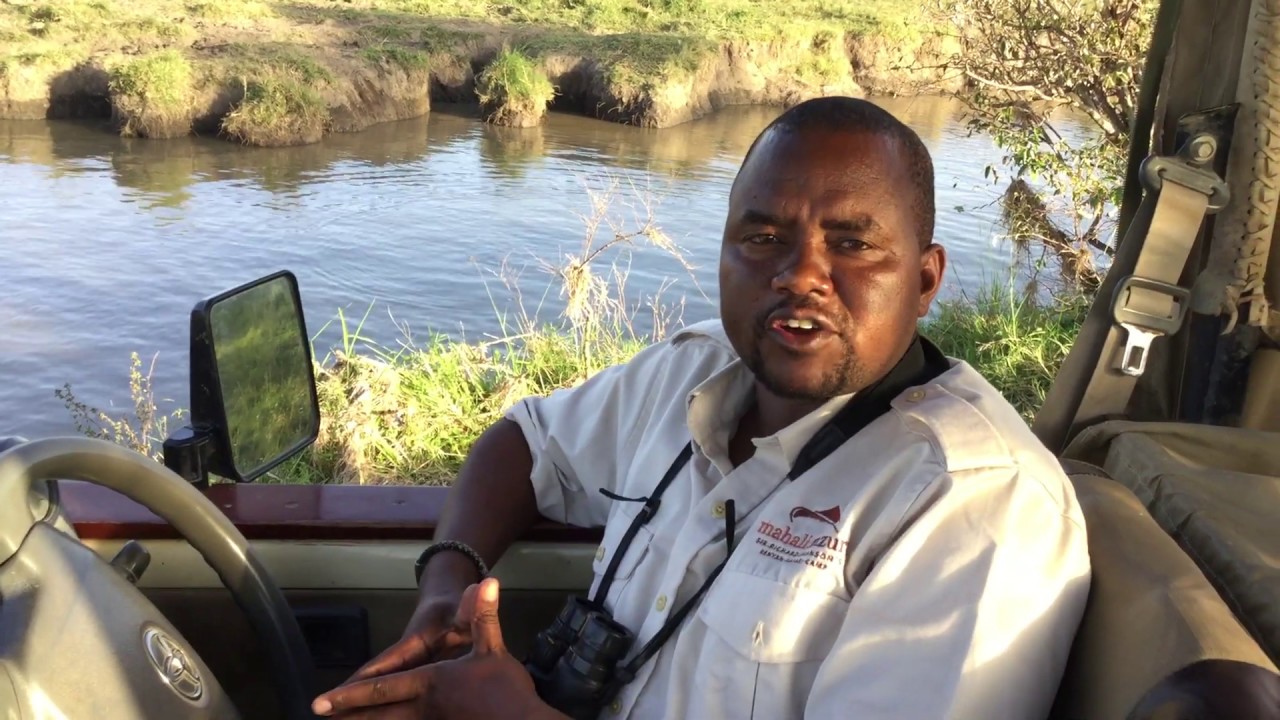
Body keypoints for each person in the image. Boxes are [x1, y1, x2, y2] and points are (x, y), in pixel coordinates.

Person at [310, 96, 1092, 719]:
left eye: (851, 245)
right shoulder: (697, 370)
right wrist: (449, 585)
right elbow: (527, 444)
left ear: (925, 281)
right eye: (762, 237)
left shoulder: (976, 503)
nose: (800, 275)